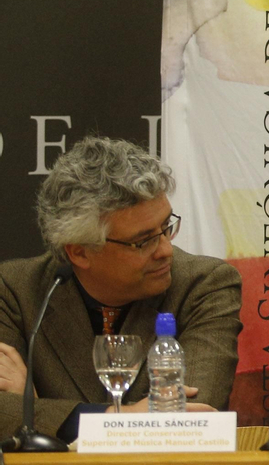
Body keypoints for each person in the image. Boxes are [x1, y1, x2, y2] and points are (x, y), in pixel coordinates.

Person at [0, 136, 240, 442]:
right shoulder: (15, 290)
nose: (166, 250)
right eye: (143, 241)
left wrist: (34, 411)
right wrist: (123, 416)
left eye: (166, 227)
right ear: (80, 252)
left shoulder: (204, 284)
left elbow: (191, 417)